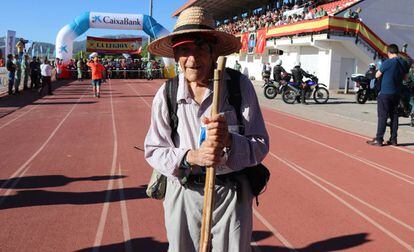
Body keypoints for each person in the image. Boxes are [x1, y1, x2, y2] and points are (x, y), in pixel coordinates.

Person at [144, 6, 269, 251]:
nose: (193, 58)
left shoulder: (239, 86)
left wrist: (230, 141)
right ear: (176, 55)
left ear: (213, 52)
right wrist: (192, 156)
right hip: (183, 190)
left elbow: (260, 145)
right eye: (185, 50)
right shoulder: (166, 94)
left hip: (232, 192)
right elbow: (154, 150)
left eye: (200, 48)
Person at [367, 44, 410, 146]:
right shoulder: (403, 63)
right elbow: (406, 78)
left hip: (385, 93)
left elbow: (377, 75)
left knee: (383, 116)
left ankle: (379, 139)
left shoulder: (387, 62)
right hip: (396, 93)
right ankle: (393, 139)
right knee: (394, 116)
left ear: (389, 52)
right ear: (397, 52)